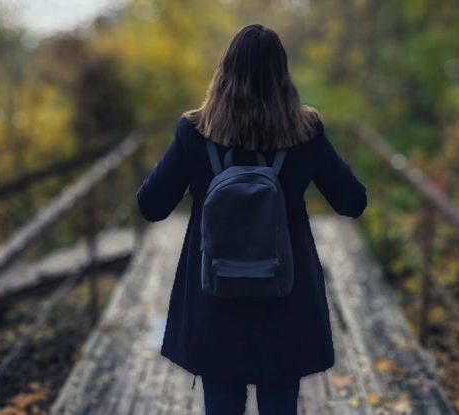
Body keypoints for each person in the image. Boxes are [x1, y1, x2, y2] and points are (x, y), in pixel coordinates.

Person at [136, 23, 367, 415]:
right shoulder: (306, 132)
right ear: (282, 76)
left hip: (215, 299)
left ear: (223, 72)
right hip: (285, 298)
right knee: (280, 402)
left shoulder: (193, 132)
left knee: (222, 402)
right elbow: (352, 201)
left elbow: (151, 205)